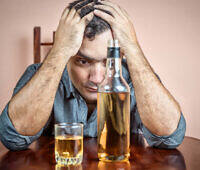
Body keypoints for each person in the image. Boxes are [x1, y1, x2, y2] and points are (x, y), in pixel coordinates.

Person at [0, 0, 186, 151]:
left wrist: (132, 47)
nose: (97, 78)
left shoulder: (137, 79)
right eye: (83, 61)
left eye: (108, 61)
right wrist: (60, 50)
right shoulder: (37, 75)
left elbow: (170, 138)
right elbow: (12, 138)